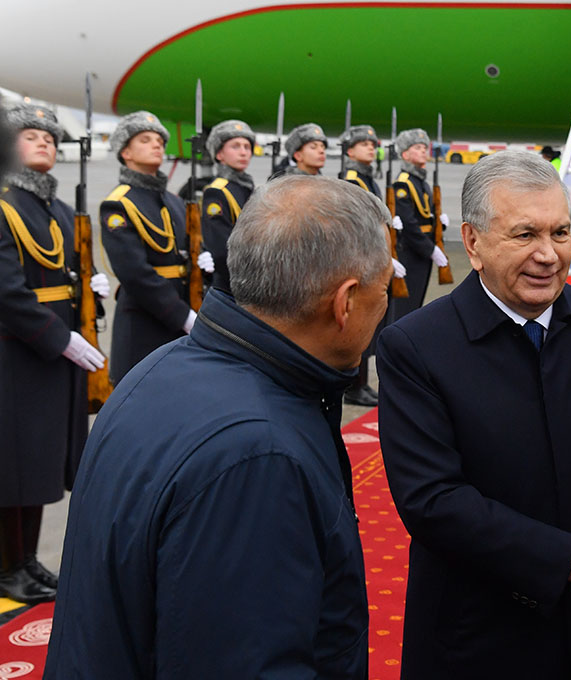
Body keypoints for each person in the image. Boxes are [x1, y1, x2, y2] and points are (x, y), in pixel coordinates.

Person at [44, 175, 391, 678]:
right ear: (345, 301)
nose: (385, 306)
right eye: (382, 290)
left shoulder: (161, 366)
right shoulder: (257, 455)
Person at [376, 150, 571, 679]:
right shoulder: (416, 345)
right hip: (480, 639)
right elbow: (432, 501)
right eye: (525, 235)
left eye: (561, 233)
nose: (549, 255)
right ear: (472, 243)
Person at [0, 104, 109, 603]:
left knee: (41, 463)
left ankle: (26, 561)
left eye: (49, 136)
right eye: (30, 135)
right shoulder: (3, 204)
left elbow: (67, 275)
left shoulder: (58, 209)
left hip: (52, 352)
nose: (44, 141)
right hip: (16, 354)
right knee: (12, 466)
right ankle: (6, 568)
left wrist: (92, 291)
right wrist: (57, 337)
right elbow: (6, 291)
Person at [100, 111, 200, 383]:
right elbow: (134, 273)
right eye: (145, 139)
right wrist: (182, 316)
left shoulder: (174, 201)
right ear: (126, 152)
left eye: (159, 140)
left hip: (183, 319)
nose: (157, 144)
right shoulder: (119, 204)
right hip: (145, 325)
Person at [339, 124, 403, 406]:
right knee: (358, 320)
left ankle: (361, 383)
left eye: (372, 144)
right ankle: (353, 385)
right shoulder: (352, 179)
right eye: (363, 144)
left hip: (372, 255)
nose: (370, 147)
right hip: (359, 258)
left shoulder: (367, 177)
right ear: (350, 150)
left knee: (368, 322)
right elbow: (355, 224)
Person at [389, 127, 448, 321]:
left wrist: (440, 225)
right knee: (405, 307)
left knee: (415, 303)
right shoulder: (403, 184)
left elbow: (423, 218)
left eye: (425, 147)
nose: (424, 150)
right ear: (405, 154)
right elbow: (409, 224)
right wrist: (431, 249)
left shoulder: (420, 181)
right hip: (410, 252)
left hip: (421, 253)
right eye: (417, 147)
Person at [200, 119, 255, 295]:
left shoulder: (248, 187)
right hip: (231, 286)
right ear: (219, 155)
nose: (243, 152)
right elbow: (221, 250)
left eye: (247, 147)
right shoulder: (217, 192)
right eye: (235, 146)